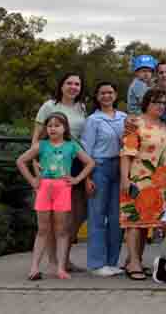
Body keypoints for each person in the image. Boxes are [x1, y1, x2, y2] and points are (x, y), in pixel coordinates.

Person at [16, 112, 95, 280]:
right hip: (44, 188)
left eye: (57, 125)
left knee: (62, 230)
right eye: (50, 125)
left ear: (65, 127)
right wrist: (32, 181)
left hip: (63, 189)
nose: (53, 128)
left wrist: (76, 179)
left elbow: (90, 162)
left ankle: (60, 268)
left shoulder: (71, 145)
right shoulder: (41, 145)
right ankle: (34, 268)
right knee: (43, 229)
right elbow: (21, 161)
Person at [31, 73, 88, 273]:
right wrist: (35, 166)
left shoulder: (81, 108)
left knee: (77, 213)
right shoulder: (49, 106)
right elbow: (37, 137)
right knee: (51, 216)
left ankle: (64, 258)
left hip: (75, 162)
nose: (73, 87)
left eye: (77, 84)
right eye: (69, 83)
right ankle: (54, 261)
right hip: (51, 164)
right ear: (61, 85)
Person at [119, 88, 166, 281]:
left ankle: (136, 259)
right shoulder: (136, 124)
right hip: (138, 179)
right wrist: (125, 179)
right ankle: (133, 262)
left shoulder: (164, 126)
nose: (160, 106)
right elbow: (126, 152)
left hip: (159, 183)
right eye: (156, 102)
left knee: (146, 224)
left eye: (163, 103)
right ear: (146, 103)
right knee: (134, 222)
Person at [81, 80, 127, 277]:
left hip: (120, 168)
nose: (107, 96)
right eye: (102, 93)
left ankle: (112, 261)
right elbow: (86, 150)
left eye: (110, 92)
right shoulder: (93, 120)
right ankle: (97, 263)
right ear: (97, 97)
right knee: (98, 215)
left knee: (117, 217)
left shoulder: (124, 118)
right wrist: (87, 178)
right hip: (99, 167)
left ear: (116, 95)